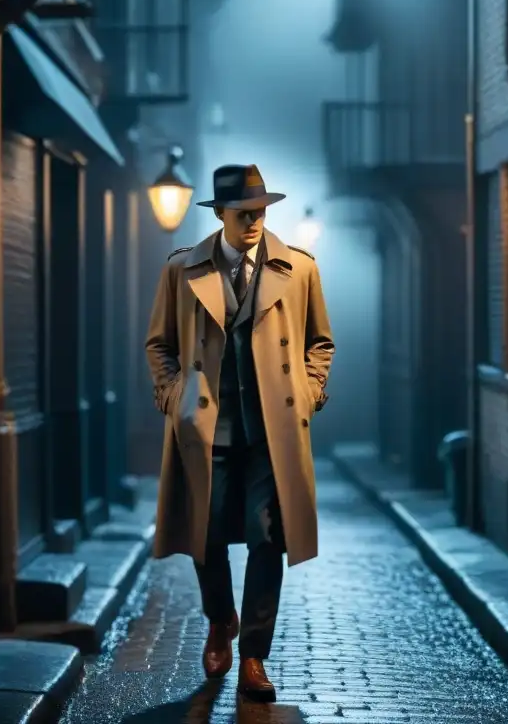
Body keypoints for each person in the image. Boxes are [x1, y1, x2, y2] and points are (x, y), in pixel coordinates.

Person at [145, 164, 335, 702]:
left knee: (267, 537)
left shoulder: (298, 269)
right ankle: (219, 619)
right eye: (243, 213)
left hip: (271, 434)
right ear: (221, 215)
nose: (254, 221)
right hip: (204, 429)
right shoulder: (182, 270)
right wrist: (172, 395)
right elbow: (158, 344)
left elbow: (320, 341)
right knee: (203, 537)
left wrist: (310, 390)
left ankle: (253, 654)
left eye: (261, 211)